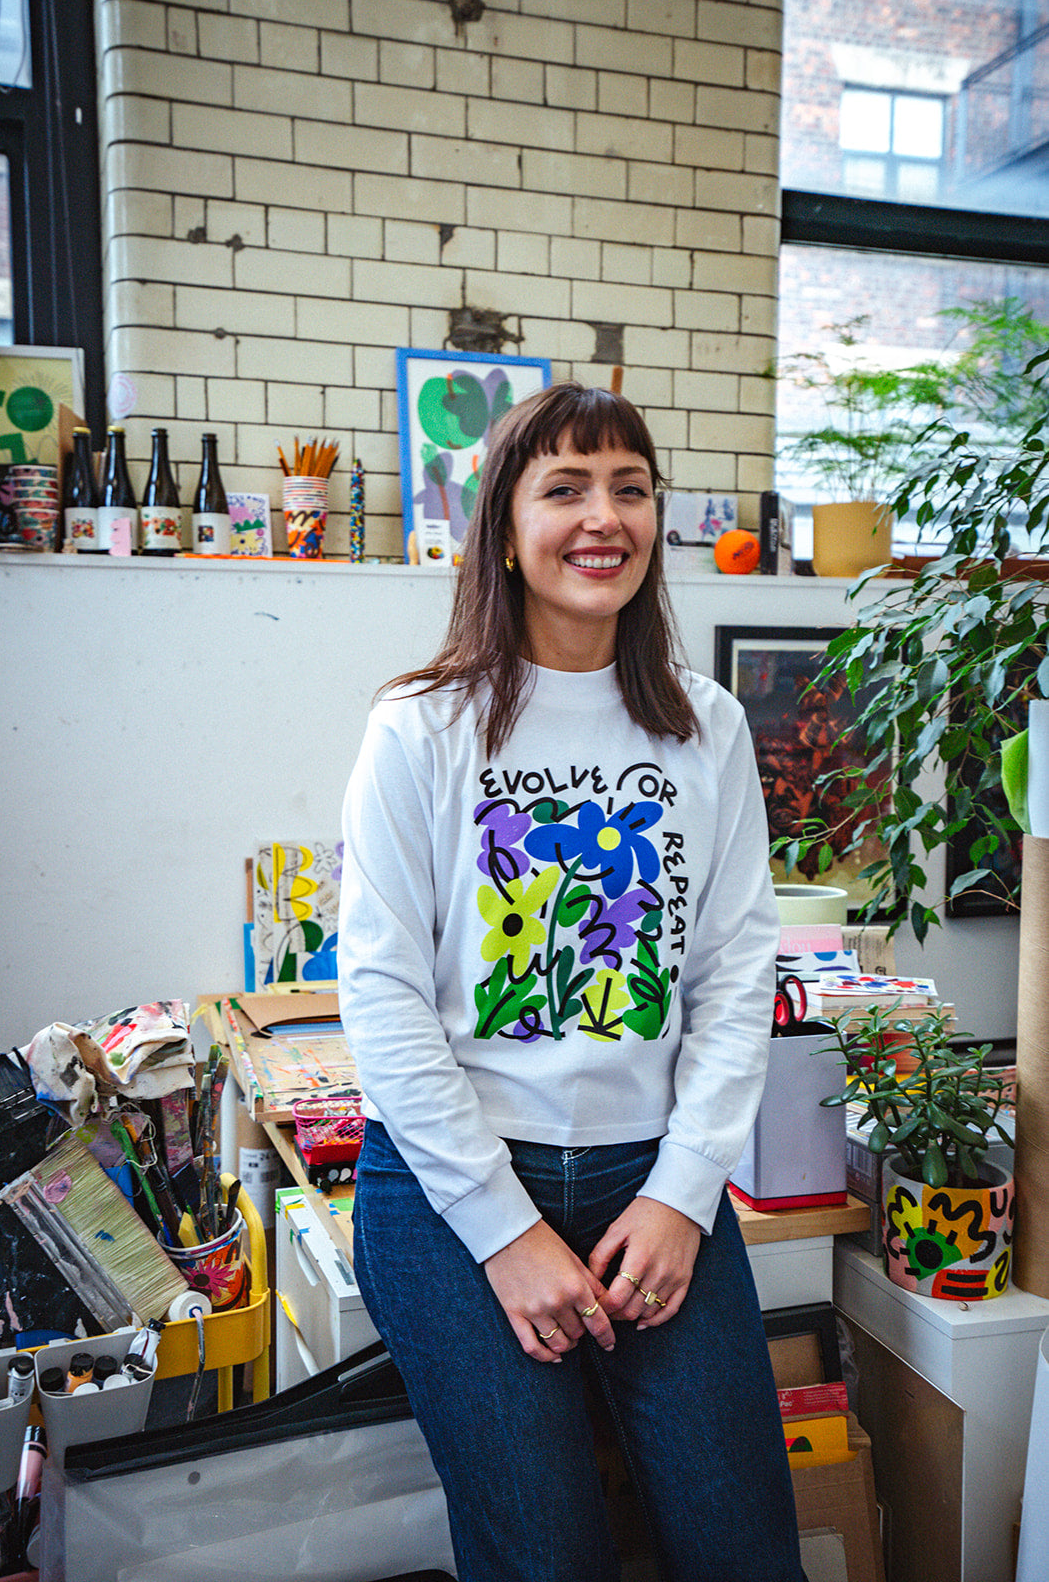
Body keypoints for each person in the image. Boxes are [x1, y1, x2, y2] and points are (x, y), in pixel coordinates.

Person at [337, 382, 806, 1582]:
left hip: (652, 1184)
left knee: (744, 1548)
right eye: (565, 488)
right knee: (544, 1558)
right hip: (449, 1197)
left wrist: (683, 1193)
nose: (604, 517)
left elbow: (733, 973)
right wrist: (504, 1231)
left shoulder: (703, 727)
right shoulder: (421, 726)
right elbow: (381, 995)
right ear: (502, 528)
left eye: (629, 489)